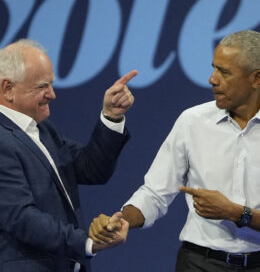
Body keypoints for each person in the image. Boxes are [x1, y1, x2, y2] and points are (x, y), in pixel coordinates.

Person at [89, 30, 260, 271]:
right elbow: (154, 193)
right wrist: (123, 220)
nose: (212, 79)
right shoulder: (192, 121)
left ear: (256, 79)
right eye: (214, 68)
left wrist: (237, 213)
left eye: (225, 72)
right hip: (199, 264)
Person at [0, 38, 137, 272]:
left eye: (51, 85)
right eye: (42, 86)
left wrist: (111, 116)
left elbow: (91, 169)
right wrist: (87, 241)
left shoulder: (42, 129)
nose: (52, 94)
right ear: (8, 89)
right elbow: (20, 216)